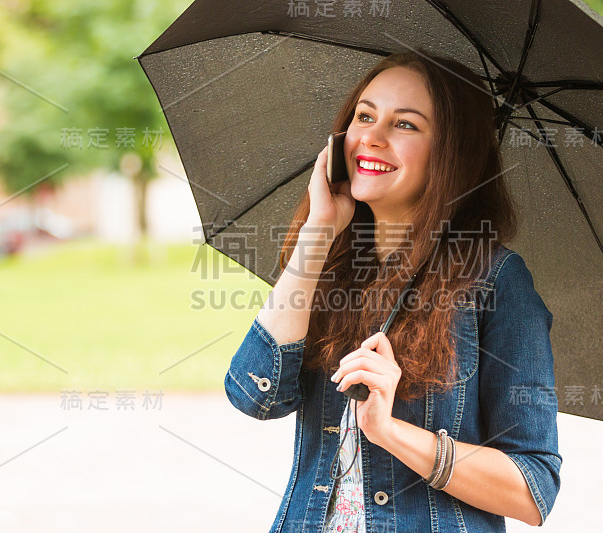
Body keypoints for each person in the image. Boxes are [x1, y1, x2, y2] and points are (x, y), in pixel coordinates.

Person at [224, 49, 561, 533]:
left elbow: (534, 489)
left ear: (451, 153)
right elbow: (256, 395)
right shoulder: (331, 260)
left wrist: (391, 432)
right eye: (364, 116)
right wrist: (318, 231)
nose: (372, 139)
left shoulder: (497, 281)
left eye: (405, 125)